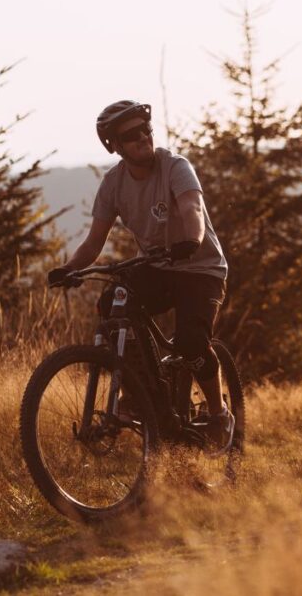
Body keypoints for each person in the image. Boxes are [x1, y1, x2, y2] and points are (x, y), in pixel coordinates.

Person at [48, 100, 233, 451]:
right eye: (131, 135)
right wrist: (70, 270)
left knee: (192, 342)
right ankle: (143, 392)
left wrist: (190, 240)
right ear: (114, 146)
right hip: (159, 267)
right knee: (111, 306)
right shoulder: (114, 184)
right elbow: (93, 243)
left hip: (200, 267)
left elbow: (192, 208)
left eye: (145, 130)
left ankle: (218, 413)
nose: (143, 138)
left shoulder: (176, 167)